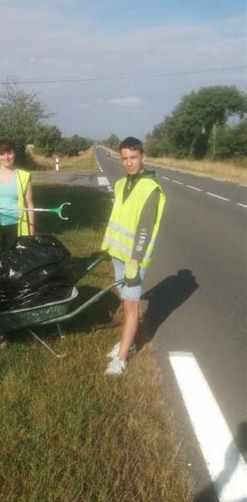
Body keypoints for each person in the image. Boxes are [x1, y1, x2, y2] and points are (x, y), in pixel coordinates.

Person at [101, 137, 166, 376]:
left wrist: (135, 260)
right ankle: (129, 343)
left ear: (143, 157)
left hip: (133, 260)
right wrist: (109, 246)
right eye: (125, 158)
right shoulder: (120, 184)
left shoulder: (151, 188)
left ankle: (121, 358)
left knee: (131, 305)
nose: (129, 163)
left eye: (133, 158)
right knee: (125, 301)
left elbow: (145, 229)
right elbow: (118, 217)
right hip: (117, 253)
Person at [0, 139, 35, 247]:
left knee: (16, 261)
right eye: (2, 154)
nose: (6, 157)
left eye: (9, 153)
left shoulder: (24, 176)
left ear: (15, 153)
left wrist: (31, 228)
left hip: (17, 226)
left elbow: (30, 204)